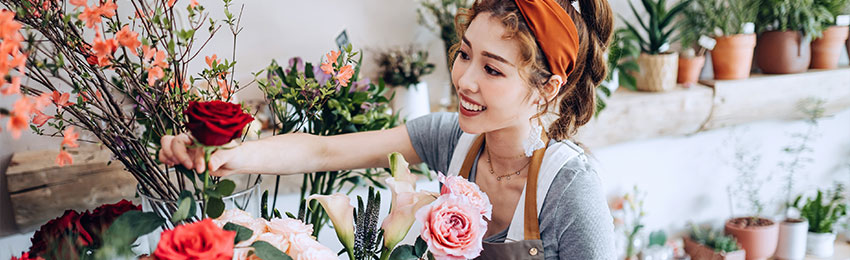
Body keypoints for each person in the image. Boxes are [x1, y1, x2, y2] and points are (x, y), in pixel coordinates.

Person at [159, 0, 616, 258]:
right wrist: (228, 154)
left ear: (546, 89)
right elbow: (324, 153)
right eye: (464, 53)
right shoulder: (450, 139)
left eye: (492, 70)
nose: (464, 79)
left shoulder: (570, 188)